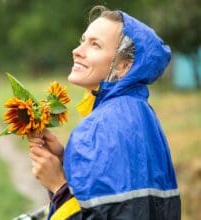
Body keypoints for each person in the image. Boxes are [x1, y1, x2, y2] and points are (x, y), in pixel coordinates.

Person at [28, 5, 181, 220]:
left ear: (124, 66)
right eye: (83, 40)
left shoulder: (102, 126)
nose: (77, 50)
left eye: (95, 45)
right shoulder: (138, 113)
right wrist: (67, 163)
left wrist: (58, 185)